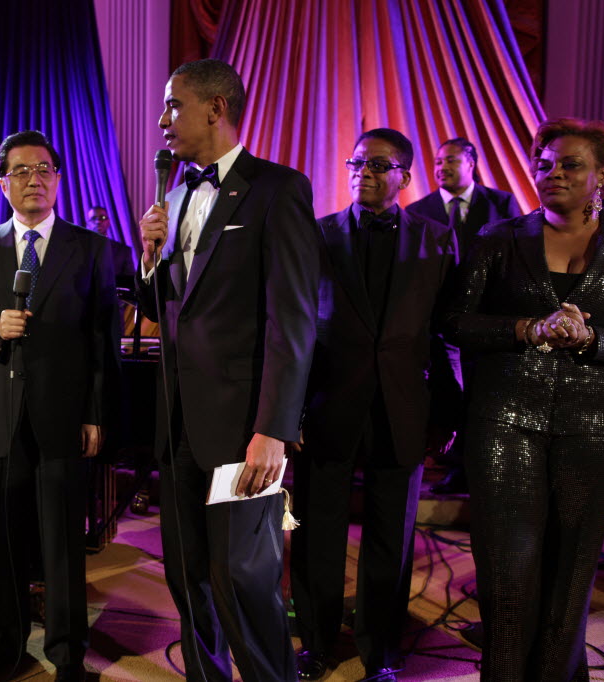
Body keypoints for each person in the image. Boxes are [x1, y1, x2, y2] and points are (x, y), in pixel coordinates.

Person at [137, 59, 319, 682]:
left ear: (216, 108)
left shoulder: (277, 189)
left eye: (173, 105)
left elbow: (292, 319)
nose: (162, 119)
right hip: (177, 422)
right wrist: (149, 257)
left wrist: (274, 428)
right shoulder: (174, 194)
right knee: (187, 576)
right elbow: (166, 308)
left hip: (245, 428)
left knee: (243, 578)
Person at [444, 117, 604, 681]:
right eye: (544, 164)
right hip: (505, 421)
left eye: (570, 164)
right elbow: (454, 322)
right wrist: (527, 328)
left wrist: (593, 339)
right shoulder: (499, 238)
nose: (553, 173)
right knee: (507, 572)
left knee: (571, 573)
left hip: (598, 427)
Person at [0, 130, 119, 682]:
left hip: (64, 417)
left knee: (63, 542)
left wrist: (95, 413)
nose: (33, 179)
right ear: (3, 185)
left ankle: (68, 652)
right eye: (20, 171)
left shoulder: (90, 248)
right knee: (5, 539)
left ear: (59, 179)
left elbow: (103, 340)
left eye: (43, 169)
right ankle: (6, 642)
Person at [290, 129, 460, 682]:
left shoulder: (438, 240)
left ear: (405, 177)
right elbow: (295, 331)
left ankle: (382, 649)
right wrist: (288, 411)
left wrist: (447, 412)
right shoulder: (316, 234)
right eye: (356, 162)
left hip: (402, 407)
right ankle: (315, 642)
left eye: (378, 165)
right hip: (326, 405)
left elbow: (444, 334)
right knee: (318, 532)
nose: (363, 171)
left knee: (392, 536)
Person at [408, 137, 523, 495]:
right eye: (438, 161)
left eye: (451, 160)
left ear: (471, 164)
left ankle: (484, 468)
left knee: (482, 391)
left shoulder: (501, 203)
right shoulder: (419, 208)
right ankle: (453, 466)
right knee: (448, 390)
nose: (442, 167)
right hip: (439, 314)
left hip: (489, 316)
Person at [85, 205, 136, 287]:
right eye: (94, 218)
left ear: (108, 222)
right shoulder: (78, 249)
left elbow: (129, 281)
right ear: (87, 223)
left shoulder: (123, 251)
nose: (98, 221)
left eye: (102, 218)